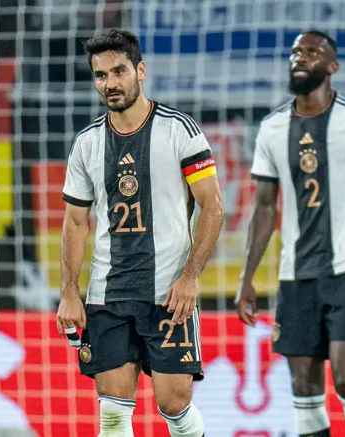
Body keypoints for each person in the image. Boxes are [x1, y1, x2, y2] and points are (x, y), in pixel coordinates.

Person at [235, 30, 345, 437]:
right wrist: (247, 278)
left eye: (312, 51)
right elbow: (263, 207)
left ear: (332, 66)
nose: (300, 57)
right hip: (295, 277)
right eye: (295, 51)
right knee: (303, 389)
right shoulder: (273, 128)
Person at [57, 29, 224, 437]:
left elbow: (213, 207)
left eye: (118, 71)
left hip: (168, 294)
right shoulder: (87, 143)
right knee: (112, 416)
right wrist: (68, 291)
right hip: (107, 295)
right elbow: (75, 221)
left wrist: (189, 278)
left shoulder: (179, 130)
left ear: (140, 71)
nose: (110, 83)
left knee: (175, 404)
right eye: (100, 76)